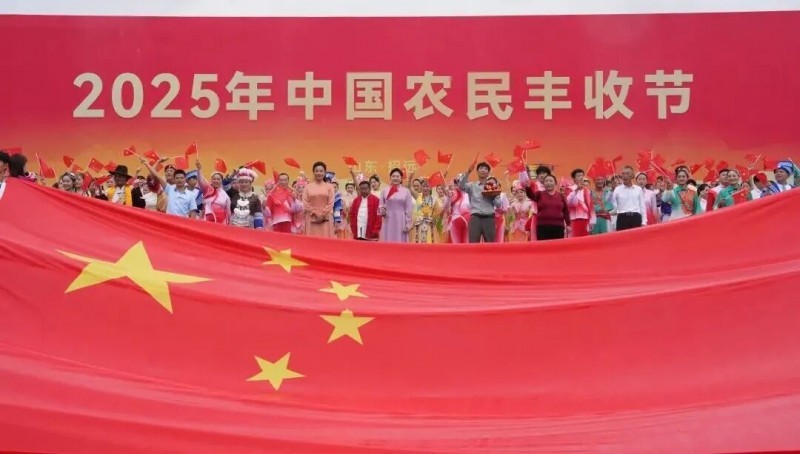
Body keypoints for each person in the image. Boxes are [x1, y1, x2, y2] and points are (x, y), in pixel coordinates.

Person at [458, 161, 502, 243]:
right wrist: (468, 171)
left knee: (490, 244)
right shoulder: (472, 186)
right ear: (477, 171)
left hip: (489, 218)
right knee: (473, 244)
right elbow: (460, 186)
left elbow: (499, 204)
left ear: (488, 173)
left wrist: (492, 196)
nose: (483, 170)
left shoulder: (493, 187)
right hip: (475, 218)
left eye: (485, 169)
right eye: (481, 168)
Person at [522, 174, 570, 240]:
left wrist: (568, 224)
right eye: (546, 181)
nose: (548, 183)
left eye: (551, 181)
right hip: (542, 226)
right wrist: (528, 187)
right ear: (543, 184)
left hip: (558, 226)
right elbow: (531, 195)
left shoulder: (561, 196)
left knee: (557, 245)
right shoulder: (539, 194)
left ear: (555, 184)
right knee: (543, 245)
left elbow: (566, 211)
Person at [379, 167, 414, 243]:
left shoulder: (406, 191)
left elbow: (409, 209)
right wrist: (382, 211)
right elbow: (381, 205)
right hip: (388, 219)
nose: (395, 178)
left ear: (401, 179)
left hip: (401, 220)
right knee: (388, 240)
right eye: (393, 176)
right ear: (390, 178)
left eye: (397, 176)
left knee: (400, 240)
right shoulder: (385, 190)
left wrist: (408, 224)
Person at [303, 161, 336, 237]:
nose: (319, 173)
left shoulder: (329, 187)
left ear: (324, 172)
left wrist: (322, 215)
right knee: (311, 240)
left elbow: (331, 203)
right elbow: (305, 203)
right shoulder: (308, 187)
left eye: (321, 171)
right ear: (313, 172)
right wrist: (315, 213)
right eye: (316, 171)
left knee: (326, 240)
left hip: (326, 219)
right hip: (311, 218)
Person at [612, 166, 647, 231]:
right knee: (622, 237)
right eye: (623, 174)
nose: (625, 176)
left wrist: (644, 222)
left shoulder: (638, 189)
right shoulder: (617, 189)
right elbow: (613, 205)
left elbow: (642, 206)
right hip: (622, 218)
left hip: (636, 217)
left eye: (627, 173)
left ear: (632, 175)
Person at [410, 178, 444, 244]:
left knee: (429, 242)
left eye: (427, 186)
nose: (425, 188)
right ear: (421, 187)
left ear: (430, 188)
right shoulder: (418, 196)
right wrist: (410, 179)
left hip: (429, 224)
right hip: (418, 224)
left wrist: (433, 217)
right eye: (423, 186)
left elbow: (439, 210)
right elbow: (410, 189)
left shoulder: (434, 198)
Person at [566, 169, 595, 237]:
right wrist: (576, 190)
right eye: (579, 176)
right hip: (573, 219)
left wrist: (592, 220)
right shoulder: (569, 189)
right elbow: (568, 201)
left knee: (585, 240)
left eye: (582, 176)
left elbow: (590, 206)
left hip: (585, 219)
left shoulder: (586, 190)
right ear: (574, 178)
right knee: (574, 239)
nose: (581, 177)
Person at [445, 179, 470, 244]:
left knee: (466, 244)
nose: (460, 184)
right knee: (455, 244)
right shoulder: (453, 193)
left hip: (467, 222)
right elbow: (446, 207)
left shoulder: (469, 194)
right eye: (457, 182)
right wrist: (448, 197)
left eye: (463, 182)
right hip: (455, 222)